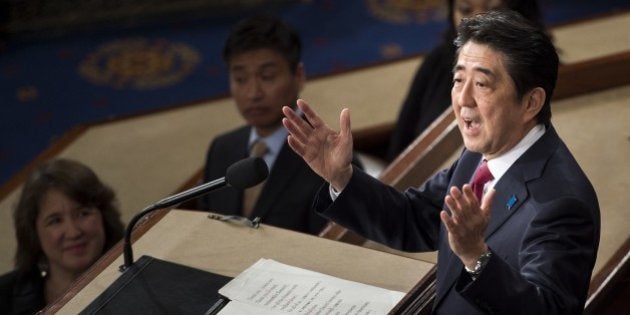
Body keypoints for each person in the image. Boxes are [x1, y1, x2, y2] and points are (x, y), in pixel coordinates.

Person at [282, 10, 599, 314]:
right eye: (459, 80)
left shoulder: (562, 204)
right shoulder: (477, 155)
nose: (463, 100)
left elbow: (546, 309)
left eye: (483, 84)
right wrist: (342, 177)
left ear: (531, 102)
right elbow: (413, 219)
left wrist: (477, 257)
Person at [199, 15, 362, 235]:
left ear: (299, 76)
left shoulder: (333, 159)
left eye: (267, 76)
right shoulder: (221, 149)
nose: (253, 93)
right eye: (240, 79)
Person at [386, 0, 547, 161]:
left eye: (494, 10)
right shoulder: (436, 63)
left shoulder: (545, 71)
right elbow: (401, 149)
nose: (477, 20)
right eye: (465, 10)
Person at [0, 158, 125, 314]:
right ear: (33, 232)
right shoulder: (4, 298)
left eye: (83, 213)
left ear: (104, 217)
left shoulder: (142, 277)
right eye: (55, 221)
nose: (73, 232)